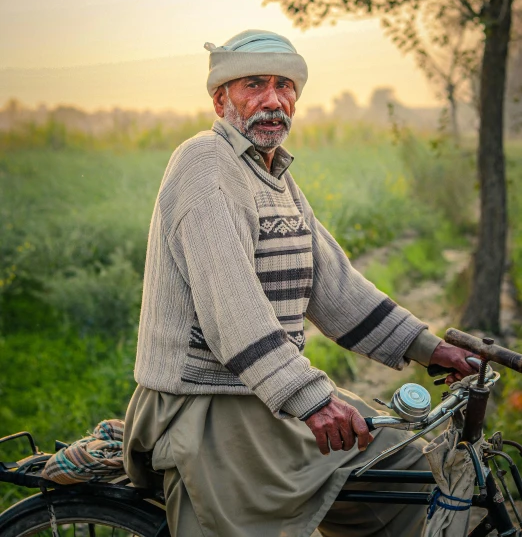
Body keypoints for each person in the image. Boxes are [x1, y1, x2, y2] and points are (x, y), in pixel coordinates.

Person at [123, 29, 476, 537]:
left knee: (411, 472)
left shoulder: (276, 177)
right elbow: (233, 311)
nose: (273, 101)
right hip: (212, 406)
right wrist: (312, 397)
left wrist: (429, 348)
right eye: (254, 85)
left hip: (268, 394)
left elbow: (335, 289)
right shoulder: (204, 163)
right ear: (221, 98)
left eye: (285, 87)